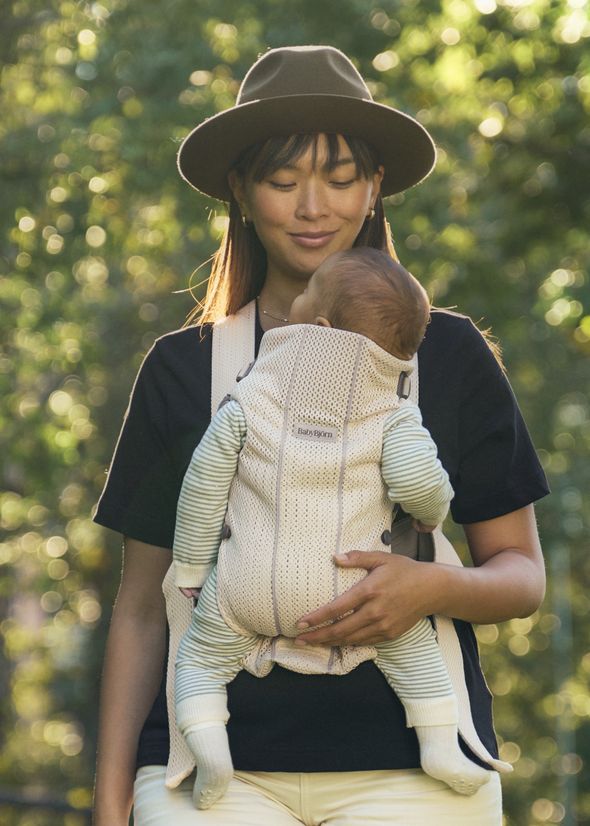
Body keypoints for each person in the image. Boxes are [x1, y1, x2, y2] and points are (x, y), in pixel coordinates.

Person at [93, 45, 548, 826]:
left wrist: (434, 587)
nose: (313, 207)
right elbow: (140, 607)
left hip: (415, 774)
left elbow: (522, 576)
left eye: (340, 179)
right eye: (282, 180)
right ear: (239, 191)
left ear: (375, 189)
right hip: (209, 775)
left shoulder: (449, 355)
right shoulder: (184, 369)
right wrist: (108, 806)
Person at [172, 248, 492, 808]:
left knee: (199, 662)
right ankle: (440, 745)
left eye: (304, 295)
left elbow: (202, 487)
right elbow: (421, 483)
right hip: (356, 592)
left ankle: (210, 750)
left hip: (249, 587)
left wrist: (195, 566)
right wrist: (429, 514)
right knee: (414, 652)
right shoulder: (390, 410)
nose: (293, 300)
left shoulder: (251, 395)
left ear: (317, 325)